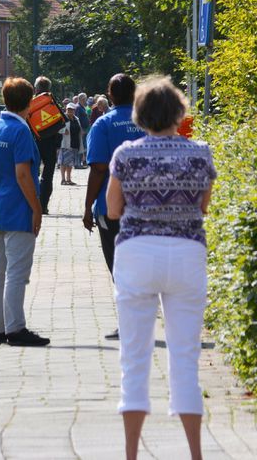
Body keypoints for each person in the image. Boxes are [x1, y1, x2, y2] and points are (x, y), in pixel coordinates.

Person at [107, 76, 214, 460]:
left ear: (140, 114)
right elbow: (202, 207)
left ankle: (132, 454)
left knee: (133, 358)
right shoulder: (200, 153)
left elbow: (113, 209)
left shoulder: (125, 155)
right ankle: (196, 454)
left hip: (137, 253)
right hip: (186, 254)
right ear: (178, 112)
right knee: (185, 358)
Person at [0, 76, 48, 347]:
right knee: (17, 273)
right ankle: (16, 329)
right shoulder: (22, 132)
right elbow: (23, 174)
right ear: (29, 103)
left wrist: (0, 190)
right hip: (20, 209)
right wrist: (36, 208)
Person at [83, 73, 145, 341]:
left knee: (118, 265)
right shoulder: (149, 121)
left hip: (113, 206)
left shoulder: (103, 124)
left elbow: (98, 169)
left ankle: (130, 323)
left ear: (109, 95)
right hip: (147, 206)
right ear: (135, 94)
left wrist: (87, 207)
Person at [32, 76, 63, 214]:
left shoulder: (30, 102)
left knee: (32, 172)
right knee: (48, 175)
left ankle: (32, 204)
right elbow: (62, 122)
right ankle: (43, 205)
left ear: (36, 88)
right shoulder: (52, 101)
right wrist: (58, 144)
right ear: (49, 88)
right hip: (50, 142)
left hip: (34, 142)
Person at [58, 103, 83, 185]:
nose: (70, 111)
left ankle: (68, 179)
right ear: (66, 109)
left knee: (70, 163)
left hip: (74, 143)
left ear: (74, 110)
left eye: (71, 110)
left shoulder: (76, 119)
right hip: (65, 143)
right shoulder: (63, 118)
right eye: (68, 109)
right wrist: (63, 131)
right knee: (63, 162)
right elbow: (57, 129)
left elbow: (79, 128)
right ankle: (63, 179)